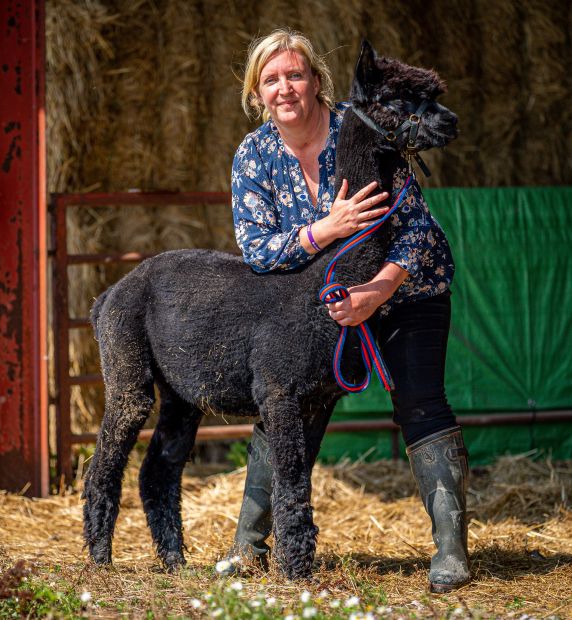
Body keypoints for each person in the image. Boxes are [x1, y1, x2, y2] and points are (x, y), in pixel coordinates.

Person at [227, 29, 469, 592]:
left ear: (316, 81)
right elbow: (258, 250)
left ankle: (452, 552)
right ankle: (249, 546)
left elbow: (419, 232)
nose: (284, 88)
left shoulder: (361, 130)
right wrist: (325, 230)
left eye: (294, 75)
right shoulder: (255, 155)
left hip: (406, 291)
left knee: (421, 403)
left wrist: (378, 292)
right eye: (271, 79)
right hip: (322, 307)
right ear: (257, 92)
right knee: (288, 406)